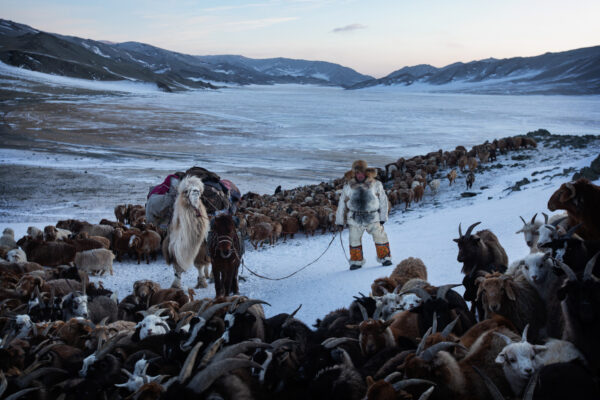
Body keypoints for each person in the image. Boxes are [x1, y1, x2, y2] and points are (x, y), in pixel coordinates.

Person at [336, 160, 392, 270]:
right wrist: (339, 221)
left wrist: (383, 217)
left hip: (372, 216)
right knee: (354, 239)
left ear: (365, 172)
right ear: (354, 173)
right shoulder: (348, 186)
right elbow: (342, 203)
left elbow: (383, 200)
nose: (360, 175)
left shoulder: (376, 184)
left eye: (361, 172)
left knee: (380, 237)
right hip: (354, 217)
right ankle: (356, 261)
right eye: (357, 173)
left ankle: (385, 258)